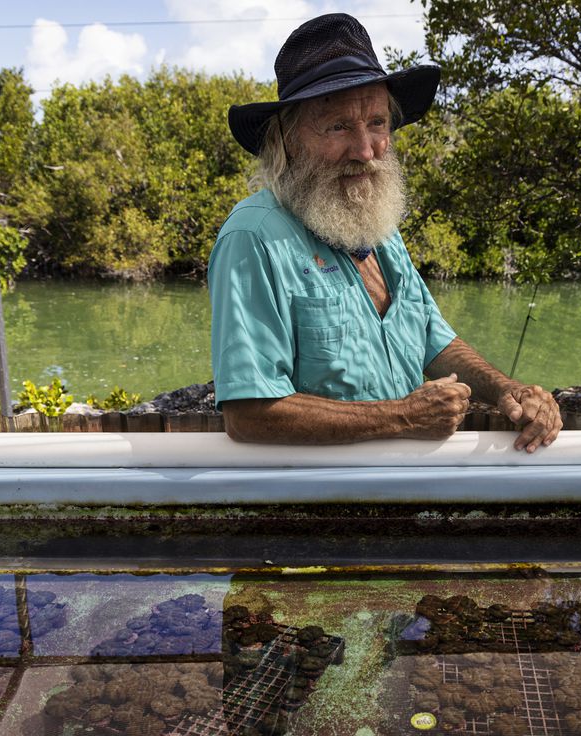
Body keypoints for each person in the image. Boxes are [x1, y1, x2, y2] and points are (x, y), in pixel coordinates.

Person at [208, 13, 562, 452]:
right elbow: (249, 415)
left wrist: (508, 389)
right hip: (316, 504)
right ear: (288, 138)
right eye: (338, 126)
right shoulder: (254, 237)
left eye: (377, 123)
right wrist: (402, 417)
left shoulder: (373, 224)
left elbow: (433, 340)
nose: (364, 150)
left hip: (401, 492)